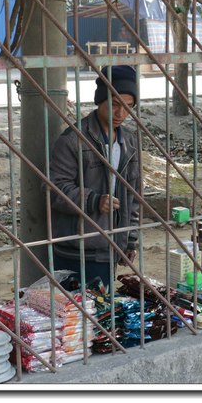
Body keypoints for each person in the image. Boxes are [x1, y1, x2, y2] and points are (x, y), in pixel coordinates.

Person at [49, 65, 141, 289]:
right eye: (115, 104)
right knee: (74, 309)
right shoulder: (73, 140)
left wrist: (129, 238)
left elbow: (134, 195)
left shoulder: (130, 142)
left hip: (110, 248)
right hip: (77, 249)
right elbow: (54, 188)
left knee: (104, 307)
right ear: (100, 100)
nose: (121, 114)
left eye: (128, 107)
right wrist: (93, 200)